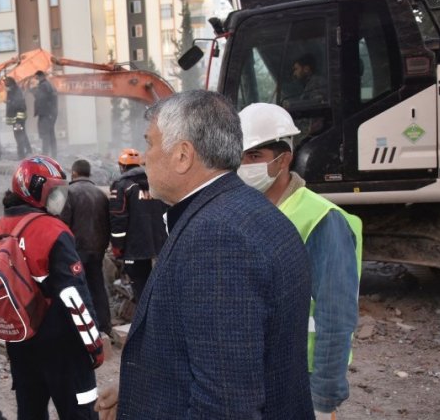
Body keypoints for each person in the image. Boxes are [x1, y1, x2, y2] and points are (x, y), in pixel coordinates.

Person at [95, 90, 314, 419]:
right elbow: (210, 352)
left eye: (150, 143)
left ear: (183, 155)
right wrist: (141, 393)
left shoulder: (219, 239)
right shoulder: (245, 212)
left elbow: (227, 404)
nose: (144, 157)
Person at [239, 103, 362, 420]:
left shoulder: (321, 218)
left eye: (255, 156)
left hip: (301, 378)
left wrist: (324, 397)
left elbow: (335, 316)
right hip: (253, 375)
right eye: (239, 157)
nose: (244, 166)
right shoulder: (243, 214)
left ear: (285, 158)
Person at [0, 156, 104, 419]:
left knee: (31, 411)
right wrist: (94, 345)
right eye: (54, 191)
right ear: (34, 192)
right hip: (64, 347)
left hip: (20, 344)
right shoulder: (52, 231)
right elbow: (75, 297)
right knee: (81, 412)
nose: (59, 198)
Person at [108, 148, 168, 303]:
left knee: (139, 285)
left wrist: (117, 246)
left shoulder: (121, 186)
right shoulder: (155, 182)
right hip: (158, 243)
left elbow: (118, 217)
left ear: (122, 166)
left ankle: (144, 322)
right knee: (154, 284)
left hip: (134, 246)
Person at [60, 159, 112, 335]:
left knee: (78, 289)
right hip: (97, 249)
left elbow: (63, 224)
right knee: (98, 286)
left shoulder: (69, 193)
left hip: (76, 250)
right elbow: (108, 223)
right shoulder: (100, 194)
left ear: (74, 173)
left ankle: (84, 328)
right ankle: (104, 326)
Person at [5, 76, 32, 159]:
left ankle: (21, 154)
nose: (6, 86)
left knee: (18, 135)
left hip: (18, 119)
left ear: (11, 84)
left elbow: (18, 104)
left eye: (7, 84)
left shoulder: (16, 91)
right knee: (22, 133)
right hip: (18, 118)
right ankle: (28, 150)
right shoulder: (14, 90)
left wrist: (9, 102)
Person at [33, 70, 58, 157]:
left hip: (45, 114)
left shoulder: (43, 86)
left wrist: (33, 91)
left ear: (40, 76)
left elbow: (41, 99)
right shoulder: (48, 85)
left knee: (45, 134)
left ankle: (45, 154)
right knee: (50, 133)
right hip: (50, 113)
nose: (36, 80)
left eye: (36, 78)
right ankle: (54, 154)